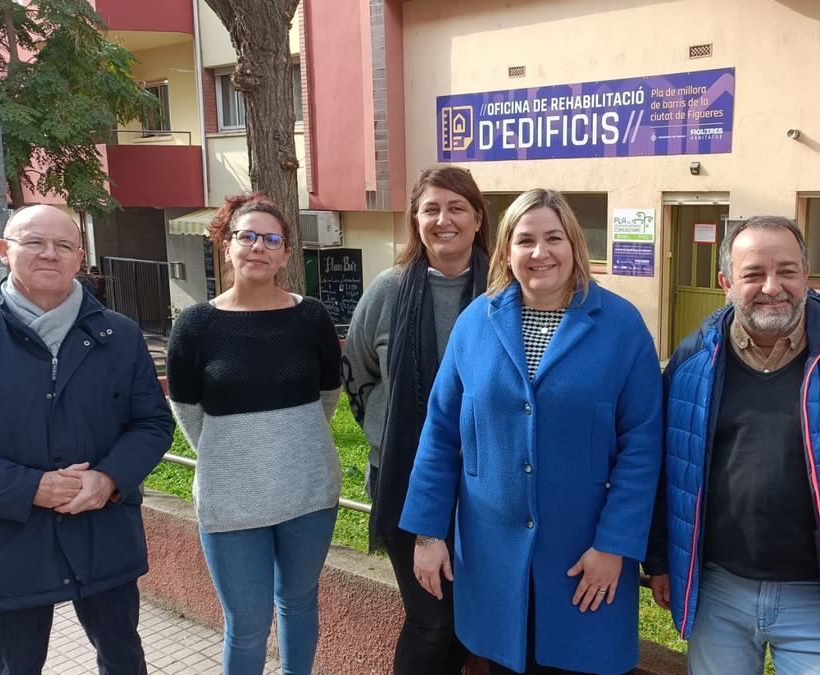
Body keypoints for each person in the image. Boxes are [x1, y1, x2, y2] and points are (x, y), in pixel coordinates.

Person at [644, 216, 820, 674]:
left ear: (806, 276)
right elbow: (662, 466)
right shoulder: (693, 360)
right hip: (719, 594)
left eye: (787, 271)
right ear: (725, 282)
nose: (772, 286)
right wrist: (659, 557)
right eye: (753, 273)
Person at [399, 189, 663, 675]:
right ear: (505, 251)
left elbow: (643, 447)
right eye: (525, 240)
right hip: (492, 557)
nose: (539, 253)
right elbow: (440, 435)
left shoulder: (622, 327)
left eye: (553, 238)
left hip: (584, 558)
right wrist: (427, 533)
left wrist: (615, 545)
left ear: (575, 246)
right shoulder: (475, 323)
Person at [0, 204, 174, 674]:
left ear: (80, 258)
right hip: (7, 541)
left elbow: (153, 423)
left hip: (103, 533)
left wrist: (110, 478)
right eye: (34, 242)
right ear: (4, 251)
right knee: (14, 667)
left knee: (123, 661)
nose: (49, 254)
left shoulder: (121, 335)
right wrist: (33, 488)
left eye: (63, 245)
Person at [166, 193, 343, 675]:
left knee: (299, 603)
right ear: (226, 245)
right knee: (246, 623)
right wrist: (237, 455)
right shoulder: (196, 325)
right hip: (231, 499)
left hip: (309, 491)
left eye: (272, 239)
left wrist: (290, 444)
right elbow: (186, 411)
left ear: (286, 252)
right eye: (247, 236)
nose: (258, 247)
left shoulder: (312, 318)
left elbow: (329, 395)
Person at [342, 165, 492, 674]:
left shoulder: (506, 291)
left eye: (456, 208)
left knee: (471, 623)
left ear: (477, 218)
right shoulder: (387, 291)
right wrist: (387, 434)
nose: (443, 220)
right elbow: (357, 374)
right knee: (432, 621)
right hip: (405, 485)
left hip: (488, 488)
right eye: (431, 208)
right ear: (415, 220)